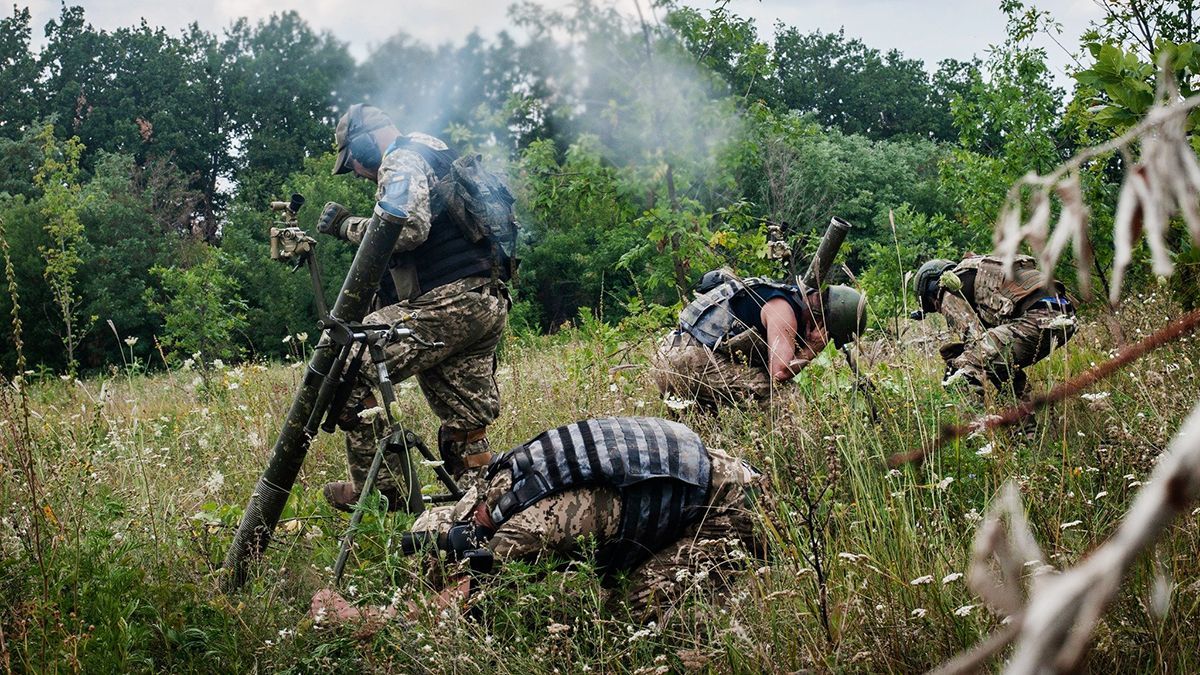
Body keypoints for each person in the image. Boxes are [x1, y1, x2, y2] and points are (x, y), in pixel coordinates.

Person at [311, 416, 770, 622]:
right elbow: (449, 530)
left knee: (632, 619)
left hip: (731, 510)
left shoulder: (524, 528)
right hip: (692, 467)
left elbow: (446, 610)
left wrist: (362, 616)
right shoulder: (495, 482)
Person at [318, 104, 512, 512]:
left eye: (350, 159)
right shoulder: (433, 151)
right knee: (465, 423)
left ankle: (380, 493)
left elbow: (406, 227)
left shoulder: (401, 158)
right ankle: (480, 511)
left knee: (349, 360)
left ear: (366, 141)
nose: (354, 171)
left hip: (450, 303)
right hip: (483, 301)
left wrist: (345, 226)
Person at [650, 271, 868, 408]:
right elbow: (779, 373)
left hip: (667, 354)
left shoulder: (779, 294)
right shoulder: (784, 312)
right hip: (687, 364)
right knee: (786, 399)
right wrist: (812, 348)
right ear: (824, 323)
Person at [912, 253, 1077, 399]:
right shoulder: (976, 272)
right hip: (1063, 314)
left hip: (1038, 317)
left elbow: (974, 338)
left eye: (934, 306)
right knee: (998, 364)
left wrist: (958, 361)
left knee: (959, 375)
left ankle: (976, 429)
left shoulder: (948, 292)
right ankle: (1024, 426)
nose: (940, 310)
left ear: (932, 290)